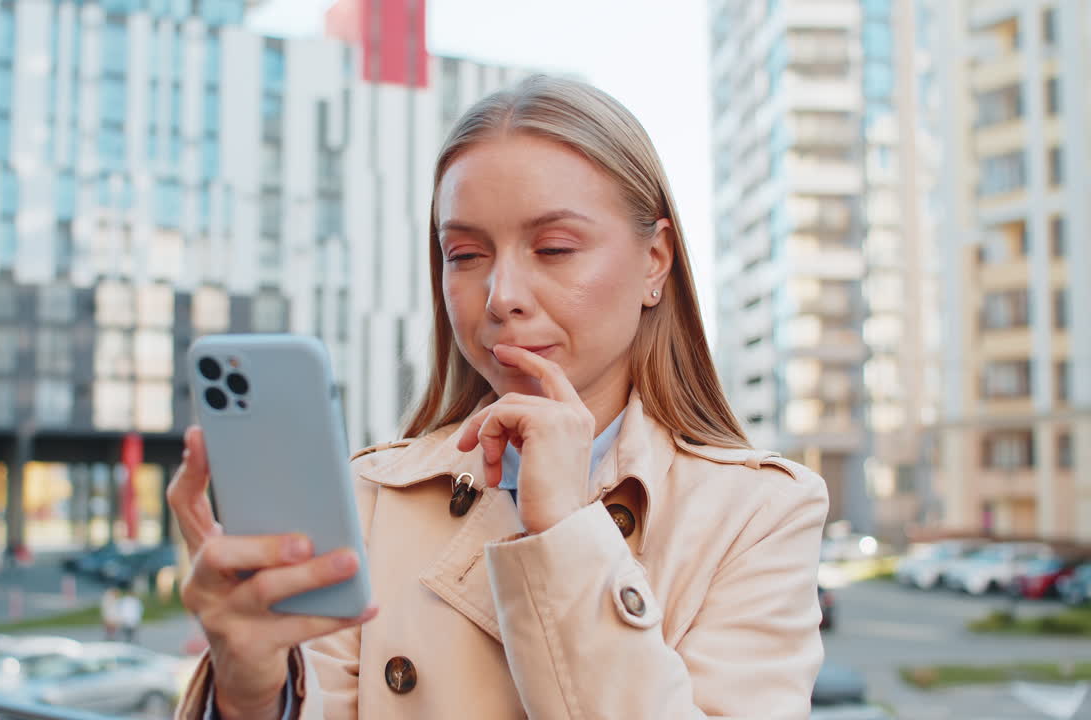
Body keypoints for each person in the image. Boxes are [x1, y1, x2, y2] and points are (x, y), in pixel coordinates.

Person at [168, 75, 829, 719]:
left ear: (655, 261)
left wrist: (568, 531)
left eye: (555, 247)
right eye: (464, 255)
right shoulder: (366, 500)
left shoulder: (761, 513)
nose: (501, 295)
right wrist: (251, 696)